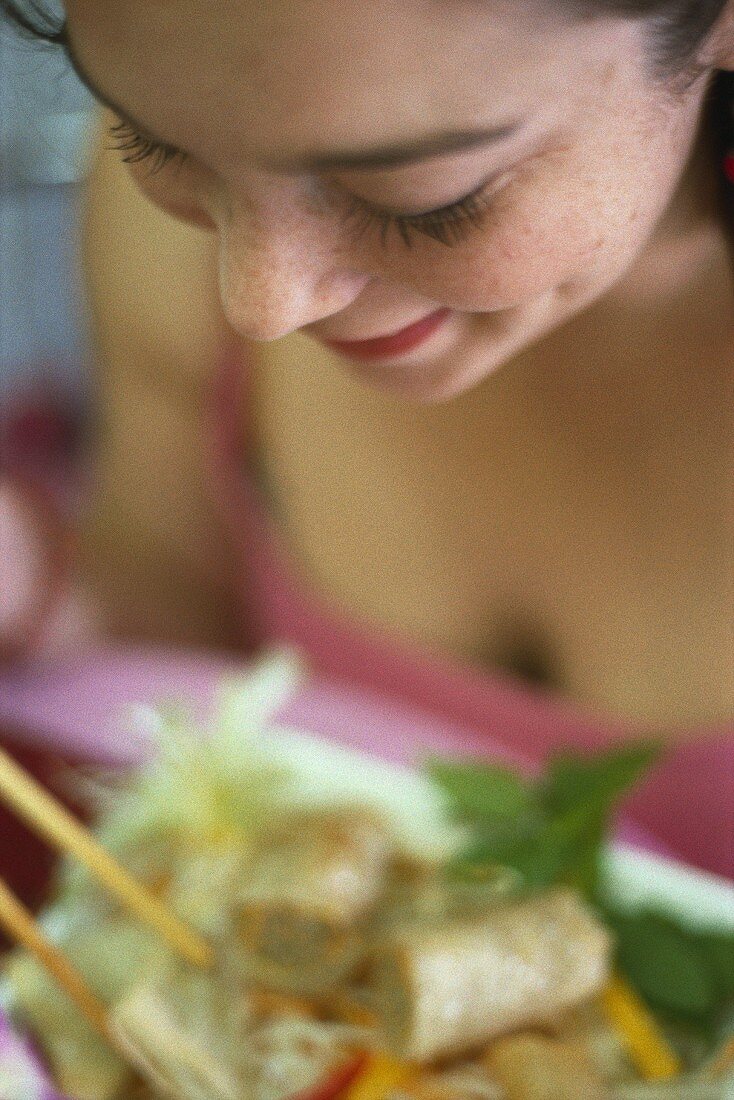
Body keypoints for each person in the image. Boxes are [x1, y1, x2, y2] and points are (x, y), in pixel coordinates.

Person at [0, 0, 732, 875]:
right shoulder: (218, 166)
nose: (263, 303)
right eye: (161, 147)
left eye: (423, 198)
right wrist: (28, 581)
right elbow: (182, 629)